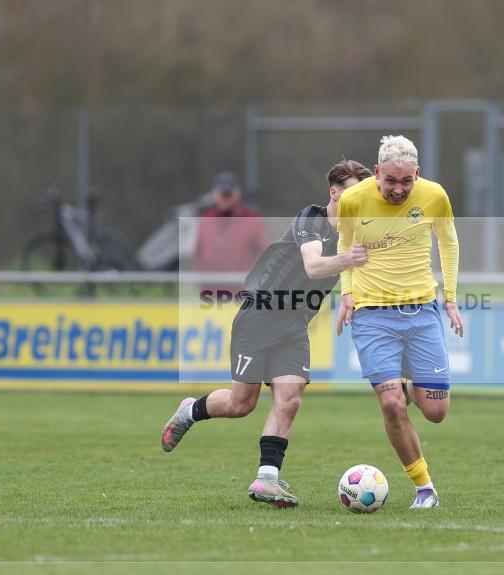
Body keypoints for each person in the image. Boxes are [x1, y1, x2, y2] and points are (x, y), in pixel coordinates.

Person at [162, 160, 373, 508]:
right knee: (240, 404)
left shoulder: (354, 234)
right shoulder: (312, 218)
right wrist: (349, 259)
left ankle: (266, 480)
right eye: (353, 193)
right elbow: (314, 265)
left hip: (294, 325)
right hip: (259, 316)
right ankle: (191, 410)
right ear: (334, 192)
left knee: (290, 398)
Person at [335, 135, 463, 509]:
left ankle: (408, 383)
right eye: (391, 180)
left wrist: (451, 298)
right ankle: (425, 489)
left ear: (417, 175)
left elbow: (450, 244)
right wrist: (346, 293)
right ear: (376, 172)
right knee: (392, 404)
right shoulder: (353, 199)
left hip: (422, 312)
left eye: (406, 181)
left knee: (436, 411)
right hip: (372, 315)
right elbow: (345, 247)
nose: (398, 189)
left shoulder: (434, 196)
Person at [191, 171, 269, 294]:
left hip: (242, 295)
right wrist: (201, 278)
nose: (225, 198)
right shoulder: (206, 219)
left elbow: (264, 254)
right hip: (210, 294)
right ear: (214, 194)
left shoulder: (251, 219)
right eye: (222, 194)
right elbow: (197, 253)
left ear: (237, 194)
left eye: (229, 194)